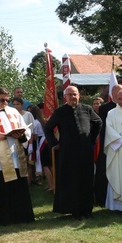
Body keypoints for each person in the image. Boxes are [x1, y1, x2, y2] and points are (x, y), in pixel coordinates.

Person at [0, 87, 35, 226]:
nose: (5, 103)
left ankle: (20, 216)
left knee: (16, 188)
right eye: (3, 100)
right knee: (0, 189)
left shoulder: (13, 112)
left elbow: (26, 129)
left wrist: (21, 134)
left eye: (7, 100)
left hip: (15, 155)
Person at [44, 85, 102, 219]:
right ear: (65, 97)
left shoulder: (87, 109)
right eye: (69, 95)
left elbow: (98, 122)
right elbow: (48, 128)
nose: (72, 97)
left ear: (79, 96)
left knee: (86, 179)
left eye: (75, 94)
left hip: (85, 151)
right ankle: (74, 210)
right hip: (68, 152)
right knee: (72, 181)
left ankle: (87, 209)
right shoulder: (60, 111)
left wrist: (91, 139)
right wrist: (54, 144)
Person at [94, 84, 122, 206]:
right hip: (109, 143)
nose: (120, 95)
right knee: (104, 171)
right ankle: (102, 199)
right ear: (113, 94)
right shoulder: (105, 109)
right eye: (118, 93)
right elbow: (103, 128)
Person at [12, 97, 36, 184]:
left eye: (17, 104)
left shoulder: (28, 114)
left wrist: (30, 144)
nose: (15, 106)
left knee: (27, 164)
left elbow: (31, 129)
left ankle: (28, 183)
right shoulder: (11, 115)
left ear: (21, 105)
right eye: (14, 104)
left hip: (26, 142)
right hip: (15, 143)